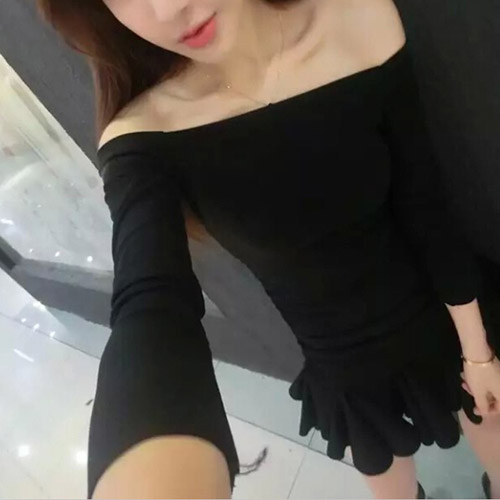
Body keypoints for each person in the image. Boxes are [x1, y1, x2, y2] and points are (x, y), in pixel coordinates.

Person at [37, 0, 500, 498]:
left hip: (445, 317)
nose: (170, 8)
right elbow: (149, 305)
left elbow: (425, 207)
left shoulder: (357, 19)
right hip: (342, 365)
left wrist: (477, 355)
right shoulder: (145, 138)